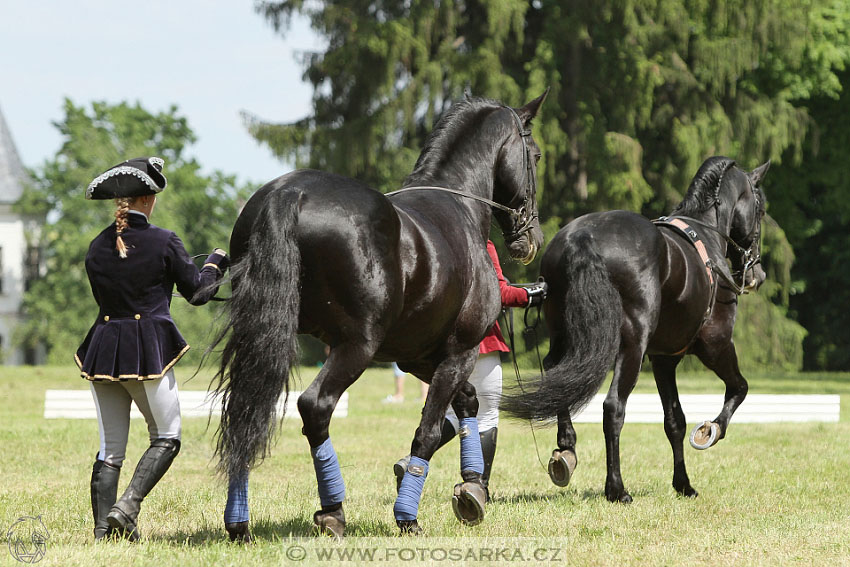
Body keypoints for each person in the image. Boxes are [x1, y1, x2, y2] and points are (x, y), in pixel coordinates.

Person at [78, 157, 229, 541]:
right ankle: (127, 507)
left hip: (104, 348)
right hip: (146, 350)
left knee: (110, 447)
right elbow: (198, 293)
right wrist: (215, 263)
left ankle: (103, 533)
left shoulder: (96, 246)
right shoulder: (164, 240)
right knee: (167, 435)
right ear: (147, 199)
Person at [393, 240, 546, 500]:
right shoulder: (480, 242)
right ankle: (478, 488)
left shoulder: (435, 238)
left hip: (440, 342)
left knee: (453, 412)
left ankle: (412, 461)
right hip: (479, 340)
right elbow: (500, 293)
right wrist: (530, 295)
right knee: (486, 416)